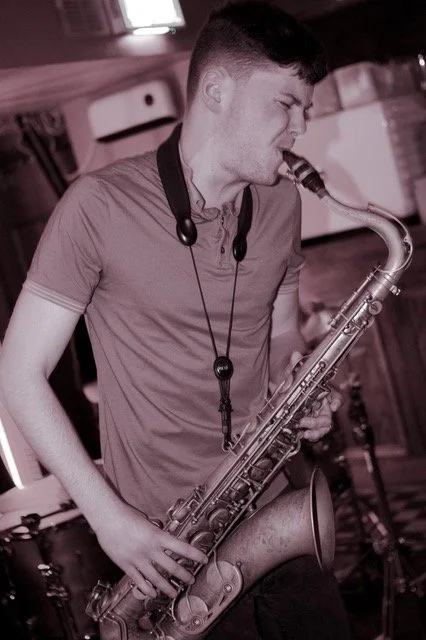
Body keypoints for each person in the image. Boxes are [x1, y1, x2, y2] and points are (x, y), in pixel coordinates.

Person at [0, 1, 352, 638]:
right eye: (286, 103)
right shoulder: (99, 206)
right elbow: (17, 371)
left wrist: (300, 387)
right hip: (167, 545)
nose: (302, 125)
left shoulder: (281, 203)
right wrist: (107, 518)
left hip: (276, 507)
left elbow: (280, 333)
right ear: (216, 90)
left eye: (306, 107)